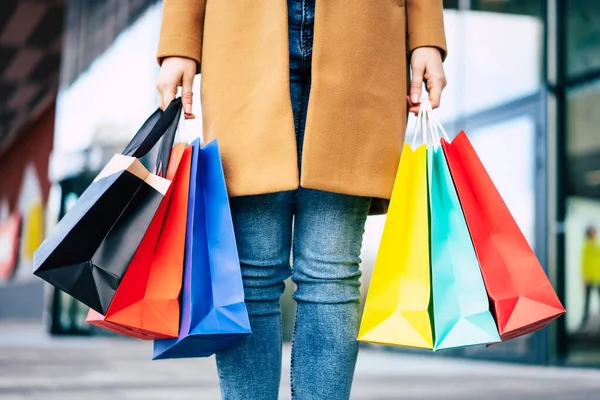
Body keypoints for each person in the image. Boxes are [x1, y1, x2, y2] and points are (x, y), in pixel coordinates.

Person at [156, 1, 447, 398]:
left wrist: (427, 35)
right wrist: (180, 41)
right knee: (250, 274)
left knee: (331, 272)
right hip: (242, 32)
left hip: (365, 34)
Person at [581, 225, 600, 329]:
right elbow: (584, 263)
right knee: (587, 301)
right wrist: (584, 278)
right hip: (589, 277)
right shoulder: (587, 246)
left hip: (598, 277)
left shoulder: (597, 245)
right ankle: (584, 320)